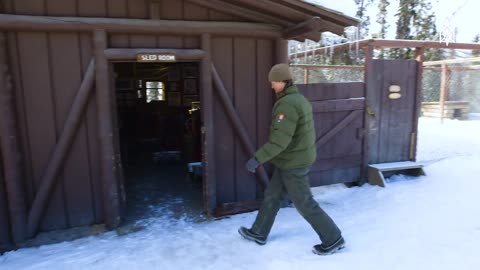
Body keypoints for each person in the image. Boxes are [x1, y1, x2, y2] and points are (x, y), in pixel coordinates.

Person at [238, 63, 345, 255]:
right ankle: (259, 232)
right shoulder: (298, 99)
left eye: (274, 82)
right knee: (273, 195)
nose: (272, 86)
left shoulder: (287, 104)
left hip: (294, 163)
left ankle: (333, 238)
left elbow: (279, 141)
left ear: (283, 81)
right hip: (290, 159)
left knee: (304, 202)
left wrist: (257, 158)